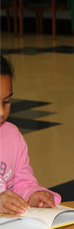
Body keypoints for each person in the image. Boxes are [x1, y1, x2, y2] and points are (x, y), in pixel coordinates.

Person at [0, 55, 61, 215]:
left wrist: (32, 194)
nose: (1, 112)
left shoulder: (12, 135)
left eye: (6, 101)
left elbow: (22, 182)